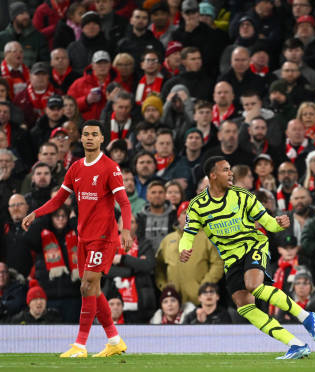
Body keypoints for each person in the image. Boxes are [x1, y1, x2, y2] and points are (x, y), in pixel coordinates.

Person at [179, 156, 315, 359]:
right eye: (225, 170)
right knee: (244, 306)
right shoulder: (197, 206)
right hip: (230, 258)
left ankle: (306, 317)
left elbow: (269, 224)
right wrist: (183, 249)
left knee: (253, 285)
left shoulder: (242, 196)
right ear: (212, 175)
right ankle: (296, 344)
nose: (230, 173)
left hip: (253, 245)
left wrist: (278, 222)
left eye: (230, 169)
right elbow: (188, 235)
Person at [21, 119, 133, 358]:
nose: (90, 137)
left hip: (103, 237)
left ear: (102, 138)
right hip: (83, 237)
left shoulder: (110, 167)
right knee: (93, 289)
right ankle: (114, 340)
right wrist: (35, 212)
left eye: (95, 134)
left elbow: (124, 202)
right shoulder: (75, 168)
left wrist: (126, 230)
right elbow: (59, 199)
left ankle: (80, 345)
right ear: (80, 139)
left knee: (86, 286)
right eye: (86, 134)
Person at [155, 201, 223, 305]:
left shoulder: (208, 238)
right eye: (184, 212)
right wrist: (164, 286)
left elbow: (218, 264)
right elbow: (159, 267)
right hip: (173, 302)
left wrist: (205, 286)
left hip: (200, 301)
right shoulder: (167, 240)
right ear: (178, 217)